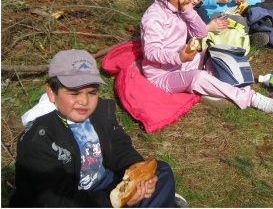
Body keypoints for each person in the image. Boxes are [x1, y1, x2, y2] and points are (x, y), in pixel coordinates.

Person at [11, 49, 178, 207]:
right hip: (69, 198)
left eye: (92, 92)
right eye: (74, 93)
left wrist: (140, 176)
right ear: (52, 92)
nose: (84, 101)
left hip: (102, 182)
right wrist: (113, 201)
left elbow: (119, 149)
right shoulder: (39, 139)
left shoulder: (99, 114)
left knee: (161, 172)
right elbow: (58, 201)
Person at [140, 0, 273, 112]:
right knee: (198, 78)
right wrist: (178, 58)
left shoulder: (179, 8)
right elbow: (151, 52)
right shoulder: (154, 17)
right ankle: (250, 98)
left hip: (182, 63)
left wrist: (188, 10)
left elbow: (201, 33)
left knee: (216, 56)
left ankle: (237, 86)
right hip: (161, 75)